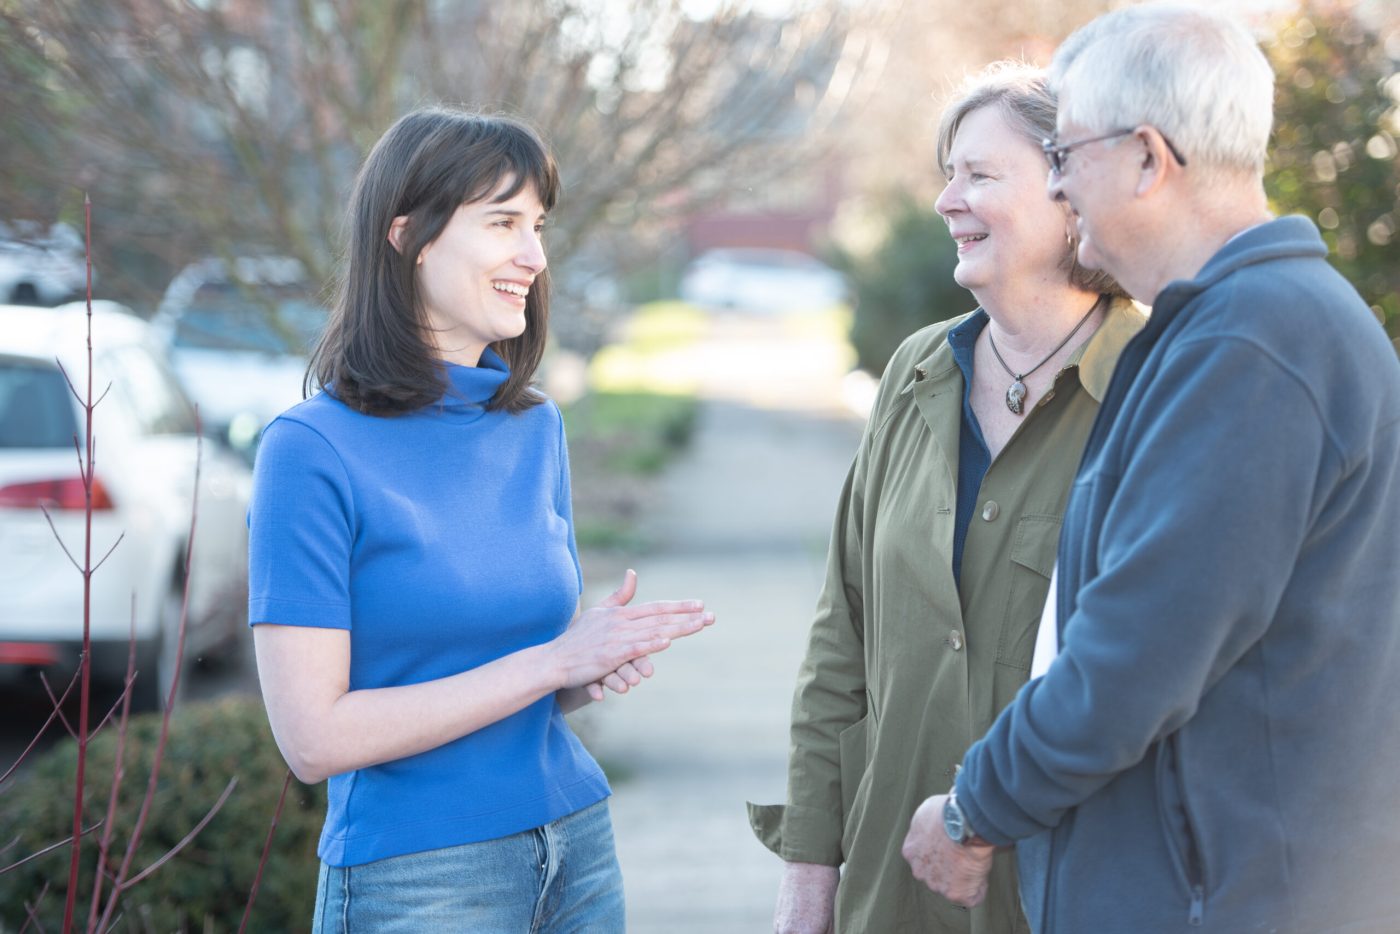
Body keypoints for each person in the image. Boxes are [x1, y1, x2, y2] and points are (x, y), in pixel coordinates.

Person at [902, 6, 1400, 933]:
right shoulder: (1228, 330)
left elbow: (1136, 654)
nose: (1061, 186)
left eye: (1067, 155)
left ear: (1145, 157)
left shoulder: (1257, 345)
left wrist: (976, 810)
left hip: (1227, 901)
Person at [247, 108, 714, 933]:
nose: (534, 256)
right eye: (503, 222)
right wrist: (548, 663)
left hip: (576, 846)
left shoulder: (534, 427)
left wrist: (577, 673)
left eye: (538, 226)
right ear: (408, 237)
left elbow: (509, 678)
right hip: (421, 878)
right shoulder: (310, 450)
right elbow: (312, 740)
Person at [750, 63, 1145, 934]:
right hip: (890, 890)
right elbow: (839, 640)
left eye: (978, 174)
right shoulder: (917, 370)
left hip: (1066, 893)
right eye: (946, 173)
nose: (945, 199)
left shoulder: (1156, 385)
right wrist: (808, 881)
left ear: (1071, 190)